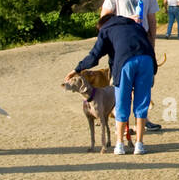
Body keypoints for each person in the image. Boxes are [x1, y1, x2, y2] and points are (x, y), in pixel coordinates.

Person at [66, 13, 158, 155]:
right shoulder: (135, 25)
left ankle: (119, 144)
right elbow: (149, 43)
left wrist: (76, 69)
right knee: (142, 103)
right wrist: (153, 69)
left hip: (126, 63)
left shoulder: (106, 29)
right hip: (147, 60)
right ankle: (139, 144)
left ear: (102, 24)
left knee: (122, 102)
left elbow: (94, 56)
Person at [100, 0, 161, 131]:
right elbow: (104, 19)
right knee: (121, 85)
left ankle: (143, 119)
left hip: (142, 45)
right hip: (121, 46)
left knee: (143, 84)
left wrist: (152, 43)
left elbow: (152, 20)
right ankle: (123, 124)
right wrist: (127, 20)